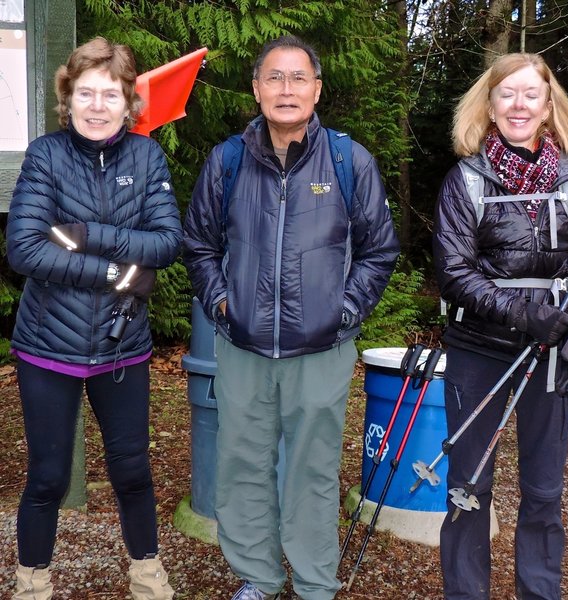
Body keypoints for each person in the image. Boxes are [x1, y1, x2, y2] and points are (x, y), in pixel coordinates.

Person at [183, 35, 399, 600]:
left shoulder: (351, 161)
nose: (286, 89)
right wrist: (221, 304)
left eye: (298, 77)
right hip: (243, 347)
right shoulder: (227, 160)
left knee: (313, 474)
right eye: (274, 78)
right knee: (241, 468)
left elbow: (380, 250)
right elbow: (199, 245)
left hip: (322, 351)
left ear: (317, 88)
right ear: (256, 90)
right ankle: (258, 577)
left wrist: (344, 311)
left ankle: (314, 585)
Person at [432, 53, 568, 599]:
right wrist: (521, 312)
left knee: (543, 490)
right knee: (469, 485)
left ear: (547, 104)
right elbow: (453, 272)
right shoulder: (465, 181)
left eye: (530, 94)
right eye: (506, 94)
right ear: (488, 106)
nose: (519, 105)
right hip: (478, 350)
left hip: (556, 352)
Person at [6, 37, 182, 599]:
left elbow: (167, 242)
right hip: (47, 349)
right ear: (69, 96)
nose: (98, 106)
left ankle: (147, 575)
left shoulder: (146, 157)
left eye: (111, 94)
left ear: (130, 101)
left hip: (120, 348)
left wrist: (85, 237)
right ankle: (32, 583)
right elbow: (26, 250)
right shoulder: (46, 155)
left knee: (132, 473)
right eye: (86, 93)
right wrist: (116, 271)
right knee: (48, 478)